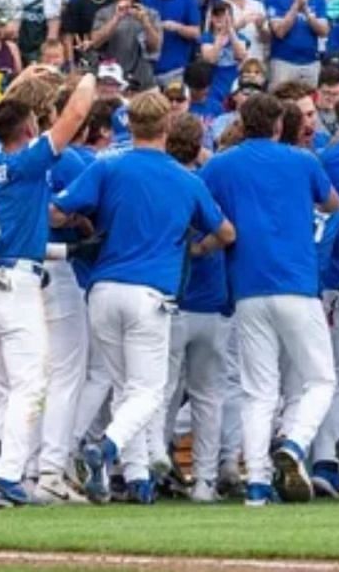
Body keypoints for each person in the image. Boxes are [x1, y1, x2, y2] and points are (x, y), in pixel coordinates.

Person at [53, 89, 234, 504]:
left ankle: (137, 479)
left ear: (129, 125)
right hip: (150, 292)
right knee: (149, 392)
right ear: (167, 126)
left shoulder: (106, 167)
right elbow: (226, 232)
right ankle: (106, 449)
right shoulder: (185, 178)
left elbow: (59, 210)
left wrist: (85, 223)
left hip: (102, 288)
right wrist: (195, 246)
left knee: (124, 387)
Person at [200, 94, 339, 505]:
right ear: (279, 125)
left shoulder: (221, 164)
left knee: (258, 390)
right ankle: (294, 443)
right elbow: (333, 203)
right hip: (296, 282)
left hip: (247, 285)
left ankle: (258, 482)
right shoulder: (302, 160)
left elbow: (204, 209)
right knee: (321, 379)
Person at [0, 76, 97, 506]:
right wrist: (89, 72)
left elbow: (27, 233)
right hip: (14, 285)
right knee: (30, 384)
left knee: (9, 384)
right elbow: (77, 113)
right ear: (27, 130)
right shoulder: (25, 162)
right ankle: (8, 478)